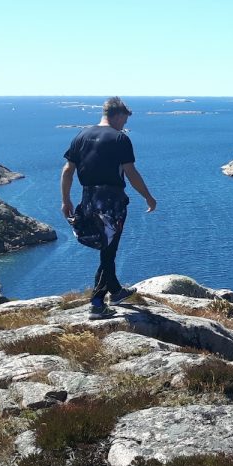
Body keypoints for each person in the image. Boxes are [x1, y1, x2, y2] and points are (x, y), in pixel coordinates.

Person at [60, 97, 156, 320]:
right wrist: (148, 197)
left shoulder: (81, 136)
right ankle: (96, 304)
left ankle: (116, 291)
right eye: (124, 119)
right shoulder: (120, 138)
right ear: (118, 115)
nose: (124, 124)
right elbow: (131, 173)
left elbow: (67, 171)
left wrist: (66, 201)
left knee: (106, 247)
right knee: (109, 251)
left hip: (88, 199)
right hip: (111, 202)